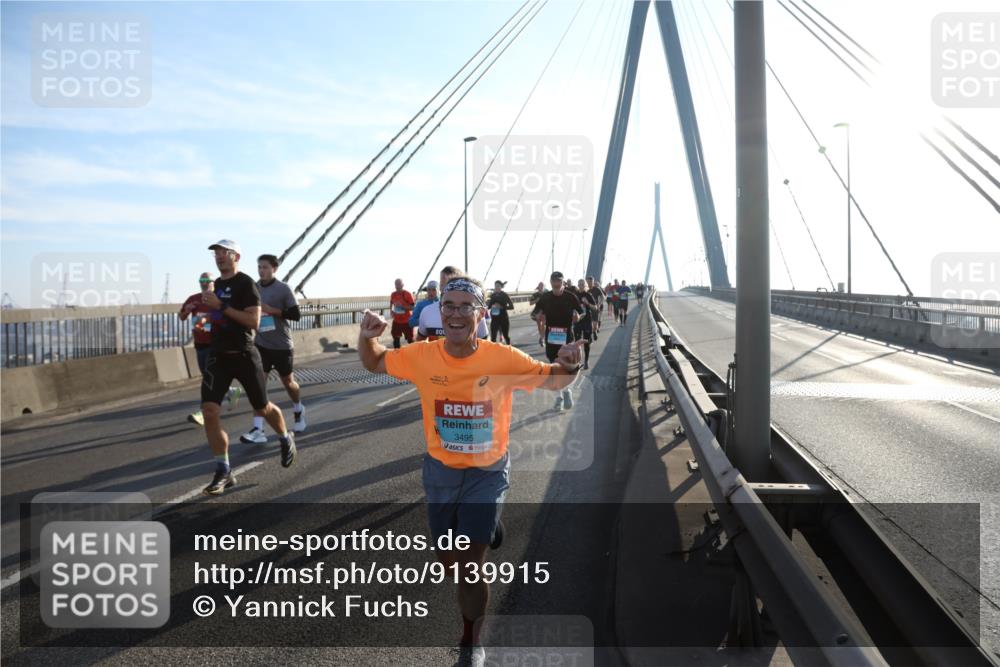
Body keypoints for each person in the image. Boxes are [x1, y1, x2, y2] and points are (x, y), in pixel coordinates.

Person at [357, 277, 584, 666]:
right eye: (449, 305)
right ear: (438, 311)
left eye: (466, 306)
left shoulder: (503, 359)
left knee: (468, 562)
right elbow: (375, 360)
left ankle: (471, 641)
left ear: (480, 314)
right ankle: (488, 527)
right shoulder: (422, 355)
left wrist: (570, 363)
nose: (456, 313)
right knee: (449, 561)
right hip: (441, 472)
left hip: (487, 472)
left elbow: (555, 380)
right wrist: (367, 336)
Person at [200, 240, 296, 496]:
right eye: (216, 253)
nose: (219, 256)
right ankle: (223, 469)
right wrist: (208, 319)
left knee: (262, 408)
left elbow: (253, 321)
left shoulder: (246, 284)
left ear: (236, 256)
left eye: (224, 252)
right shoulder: (217, 285)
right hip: (218, 355)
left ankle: (285, 437)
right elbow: (221, 317)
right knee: (209, 411)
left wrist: (220, 306)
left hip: (244, 355)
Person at [240, 254, 305, 444]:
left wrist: (271, 310)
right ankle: (258, 429)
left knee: (288, 383)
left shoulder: (284, 289)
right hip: (261, 344)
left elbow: (296, 314)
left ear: (274, 269)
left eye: (265, 267)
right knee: (258, 385)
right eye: (259, 267)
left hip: (282, 345)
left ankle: (298, 408)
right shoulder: (254, 288)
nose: (261, 271)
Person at [179, 273, 241, 425]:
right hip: (199, 344)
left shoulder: (219, 299)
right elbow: (181, 316)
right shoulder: (193, 298)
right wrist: (186, 310)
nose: (204, 283)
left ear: (214, 283)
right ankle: (231, 391)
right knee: (208, 377)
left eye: (207, 280)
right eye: (202, 280)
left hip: (215, 345)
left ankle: (202, 412)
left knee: (208, 379)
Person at [531, 271, 584, 410]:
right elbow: (534, 313)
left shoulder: (570, 297)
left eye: (558, 283)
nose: (556, 286)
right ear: (551, 283)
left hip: (567, 337)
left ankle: (564, 393)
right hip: (551, 337)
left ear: (563, 283)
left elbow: (582, 311)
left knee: (567, 368)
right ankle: (561, 395)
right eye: (553, 283)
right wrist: (538, 316)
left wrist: (578, 316)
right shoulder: (545, 297)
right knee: (554, 369)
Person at [418, 266, 489, 341]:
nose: (456, 315)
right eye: (442, 284)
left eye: (454, 284)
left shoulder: (476, 313)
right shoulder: (427, 311)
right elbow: (419, 343)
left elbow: (485, 342)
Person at [574, 279, 599, 369]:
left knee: (586, 342)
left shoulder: (588, 295)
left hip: (587, 321)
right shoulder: (575, 295)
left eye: (582, 284)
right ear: (577, 285)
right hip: (577, 321)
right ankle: (578, 361)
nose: (581, 286)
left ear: (585, 286)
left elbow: (595, 307)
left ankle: (586, 360)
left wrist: (587, 303)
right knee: (577, 342)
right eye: (579, 284)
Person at [389, 278, 415, 349]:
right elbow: (391, 303)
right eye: (396, 284)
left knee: (410, 340)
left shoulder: (407, 294)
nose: (397, 286)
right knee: (396, 339)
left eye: (399, 284)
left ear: (402, 285)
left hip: (407, 321)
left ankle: (413, 354)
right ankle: (397, 355)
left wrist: (403, 307)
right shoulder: (393, 294)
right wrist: (391, 311)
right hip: (397, 321)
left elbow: (412, 307)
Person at [487, 280, 515, 345]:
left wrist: (501, 307)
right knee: (493, 338)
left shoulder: (505, 295)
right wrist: (490, 305)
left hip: (503, 318)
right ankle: (493, 352)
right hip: (494, 318)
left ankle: (509, 348)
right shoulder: (492, 295)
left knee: (506, 336)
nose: (496, 287)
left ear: (501, 287)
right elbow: (489, 306)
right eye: (495, 286)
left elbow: (511, 306)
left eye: (498, 286)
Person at [529, 281, 546, 347]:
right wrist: (536, 300)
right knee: (539, 325)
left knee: (544, 325)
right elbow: (530, 303)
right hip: (537, 310)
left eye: (542, 286)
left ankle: (542, 338)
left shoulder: (546, 294)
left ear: (544, 287)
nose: (541, 287)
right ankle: (541, 336)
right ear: (538, 287)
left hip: (545, 310)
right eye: (540, 286)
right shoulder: (535, 295)